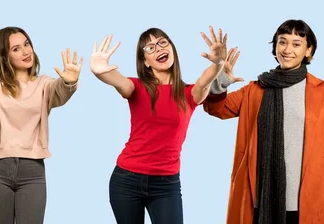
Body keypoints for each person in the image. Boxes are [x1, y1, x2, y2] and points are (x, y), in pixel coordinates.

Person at [202, 19, 324, 224]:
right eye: (282, 42)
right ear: (275, 46)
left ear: (308, 51)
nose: (288, 49)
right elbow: (216, 108)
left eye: (296, 44)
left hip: (309, 197)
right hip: (261, 196)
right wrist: (221, 78)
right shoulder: (255, 89)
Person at [90, 26, 230, 224]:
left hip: (166, 184)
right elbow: (118, 81)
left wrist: (218, 64)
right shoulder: (136, 87)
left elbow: (204, 81)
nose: (158, 48)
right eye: (150, 48)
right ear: (145, 62)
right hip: (126, 180)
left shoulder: (190, 93)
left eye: (162, 42)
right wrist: (99, 71)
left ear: (171, 48)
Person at [0, 26, 82, 224]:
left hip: (32, 170)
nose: (26, 51)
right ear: (4, 56)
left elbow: (59, 91)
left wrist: (69, 83)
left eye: (26, 44)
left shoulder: (44, 84)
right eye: (16, 49)